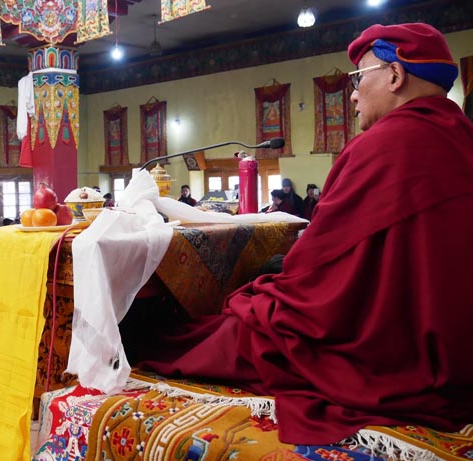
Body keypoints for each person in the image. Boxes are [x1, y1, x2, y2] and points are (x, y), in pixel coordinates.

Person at [140, 23, 473, 444]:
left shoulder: (382, 147)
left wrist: (267, 290)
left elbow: (313, 272)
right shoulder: (464, 139)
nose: (351, 94)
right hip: (457, 347)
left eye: (358, 78)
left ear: (395, 76)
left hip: (383, 343)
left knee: (229, 328)